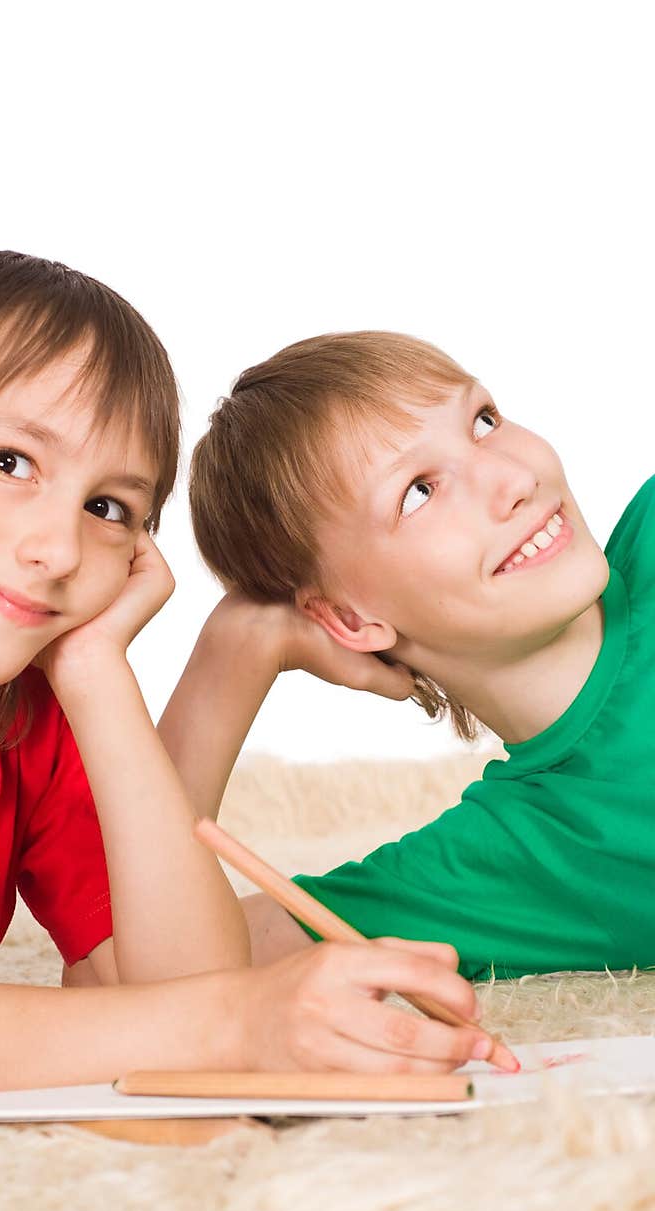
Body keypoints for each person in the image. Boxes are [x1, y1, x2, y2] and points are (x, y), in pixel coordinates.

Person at [0, 263, 489, 1098]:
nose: (61, 549)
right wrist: (245, 1017)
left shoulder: (30, 709)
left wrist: (97, 668)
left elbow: (174, 980)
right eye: (10, 460)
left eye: (109, 508)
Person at [160, 330, 653, 980]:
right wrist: (232, 652)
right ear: (348, 619)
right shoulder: (503, 863)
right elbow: (138, 969)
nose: (514, 477)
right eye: (419, 490)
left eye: (482, 421)